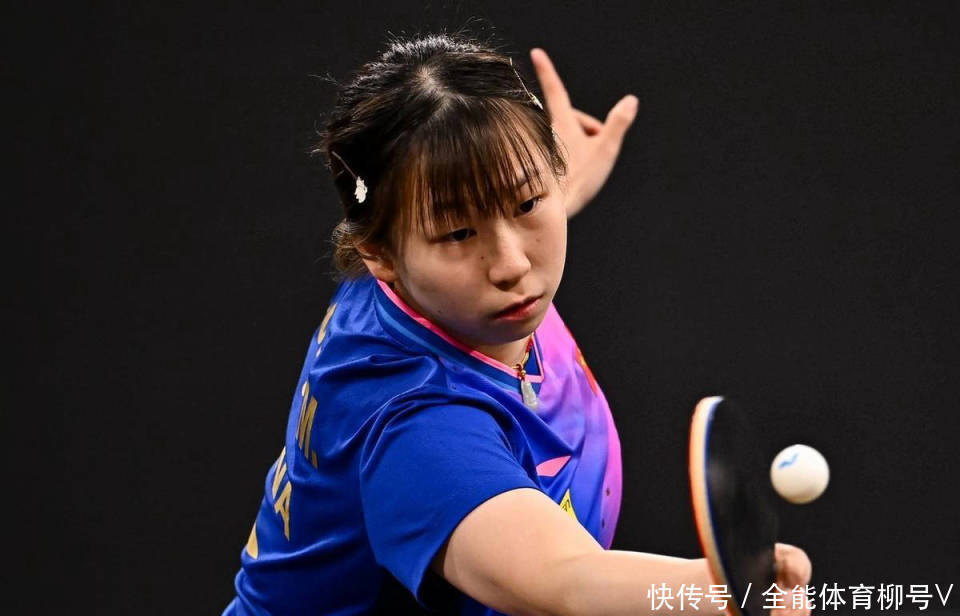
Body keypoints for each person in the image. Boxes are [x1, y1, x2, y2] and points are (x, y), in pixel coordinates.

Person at [223, 32, 812, 616]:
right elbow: (565, 583)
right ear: (378, 254)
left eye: (526, 202)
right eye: (458, 233)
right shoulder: (415, 426)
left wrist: (547, 188)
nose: (512, 265)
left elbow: (487, 205)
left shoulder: (430, 282)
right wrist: (725, 593)